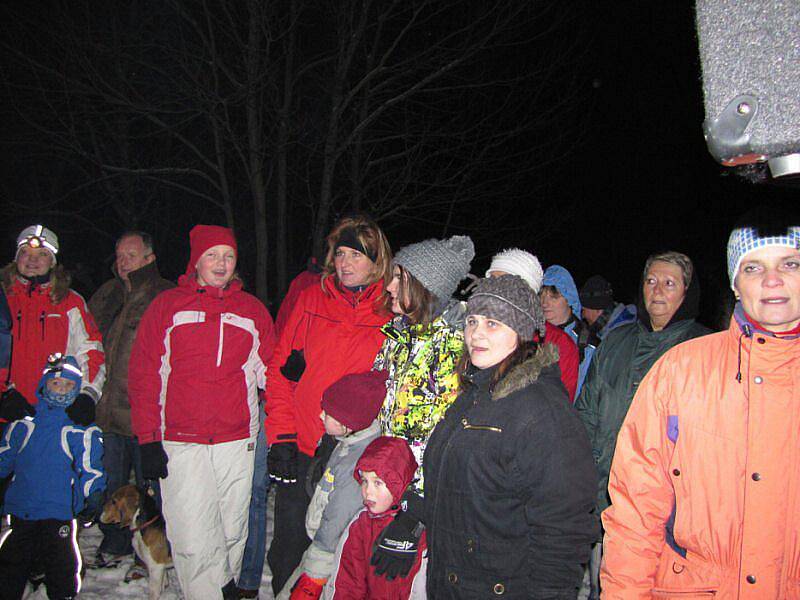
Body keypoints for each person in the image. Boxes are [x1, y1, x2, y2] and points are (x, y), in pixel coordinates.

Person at [601, 213, 800, 597]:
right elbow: (635, 506)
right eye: (754, 266)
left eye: (790, 263)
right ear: (736, 284)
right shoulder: (676, 368)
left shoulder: (686, 346)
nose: (772, 279)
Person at [395, 275, 597, 597]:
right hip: (451, 582)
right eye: (473, 320)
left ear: (522, 333)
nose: (476, 333)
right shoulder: (474, 395)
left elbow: (562, 531)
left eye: (493, 323)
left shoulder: (542, 411)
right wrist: (412, 514)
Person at [129, 224, 276, 600]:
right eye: (212, 255)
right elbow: (144, 374)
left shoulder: (252, 311)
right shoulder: (168, 307)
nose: (221, 263)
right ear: (196, 260)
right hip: (181, 440)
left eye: (228, 256)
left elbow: (271, 374)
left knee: (231, 531)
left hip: (237, 439)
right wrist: (147, 438)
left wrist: (287, 419)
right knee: (193, 535)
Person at [265, 214, 392, 594]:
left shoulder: (390, 309)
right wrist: (282, 437)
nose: (346, 263)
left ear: (377, 261)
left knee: (344, 552)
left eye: (357, 255)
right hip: (304, 446)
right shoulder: (310, 300)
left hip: (358, 456)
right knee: (289, 546)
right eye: (341, 253)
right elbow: (280, 374)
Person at [575, 251, 709, 599]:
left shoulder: (704, 350)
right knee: (602, 589)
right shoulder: (616, 342)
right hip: (605, 502)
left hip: (670, 521)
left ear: (687, 291)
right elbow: (586, 414)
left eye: (669, 283)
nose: (657, 291)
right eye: (651, 281)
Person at [87, 231, 174, 571]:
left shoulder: (163, 294)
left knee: (150, 489)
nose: (122, 262)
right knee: (111, 484)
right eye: (119, 255)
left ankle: (152, 553)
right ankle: (116, 544)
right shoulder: (108, 293)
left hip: (144, 412)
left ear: (150, 259)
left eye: (131, 255)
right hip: (107, 411)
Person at [0, 354, 106, 600]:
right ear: (43, 385)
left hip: (58, 512)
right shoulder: (24, 424)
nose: (61, 390)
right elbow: (5, 456)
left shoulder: (78, 430)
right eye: (56, 384)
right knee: (10, 564)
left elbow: (90, 466)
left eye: (69, 386)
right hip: (22, 510)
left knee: (62, 565)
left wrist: (94, 494)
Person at [372, 235, 474, 489]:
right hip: (385, 475)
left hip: (423, 486)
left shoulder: (453, 344)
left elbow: (450, 430)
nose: (389, 287)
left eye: (399, 278)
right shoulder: (397, 333)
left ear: (424, 285)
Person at [278, 371, 386, 599]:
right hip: (321, 546)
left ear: (346, 423)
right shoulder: (348, 442)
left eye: (327, 412)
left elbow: (338, 518)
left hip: (328, 556)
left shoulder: (355, 466)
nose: (319, 415)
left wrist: (315, 571)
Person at [0, 225, 105, 427]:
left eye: (42, 254)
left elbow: (91, 351)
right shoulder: (3, 297)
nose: (32, 260)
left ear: (52, 262)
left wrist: (88, 394)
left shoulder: (70, 302)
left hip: (53, 415)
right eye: (25, 253)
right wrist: (3, 395)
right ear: (16, 258)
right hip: (7, 413)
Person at [324, 436, 424, 599]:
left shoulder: (417, 530)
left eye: (377, 483)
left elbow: (418, 589)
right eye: (364, 481)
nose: (367, 491)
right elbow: (348, 582)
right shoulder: (360, 526)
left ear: (397, 483)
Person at [486, 248, 580, 400]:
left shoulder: (563, 343)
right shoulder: (479, 327)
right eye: (492, 282)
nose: (545, 303)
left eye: (553, 297)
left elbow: (562, 399)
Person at [541, 264, 594, 396]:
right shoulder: (533, 335)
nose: (544, 303)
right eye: (541, 295)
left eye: (553, 296)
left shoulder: (586, 345)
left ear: (569, 298)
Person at [578, 274, 636, 344]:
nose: (583, 316)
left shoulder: (619, 338)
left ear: (598, 310)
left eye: (584, 310)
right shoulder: (607, 329)